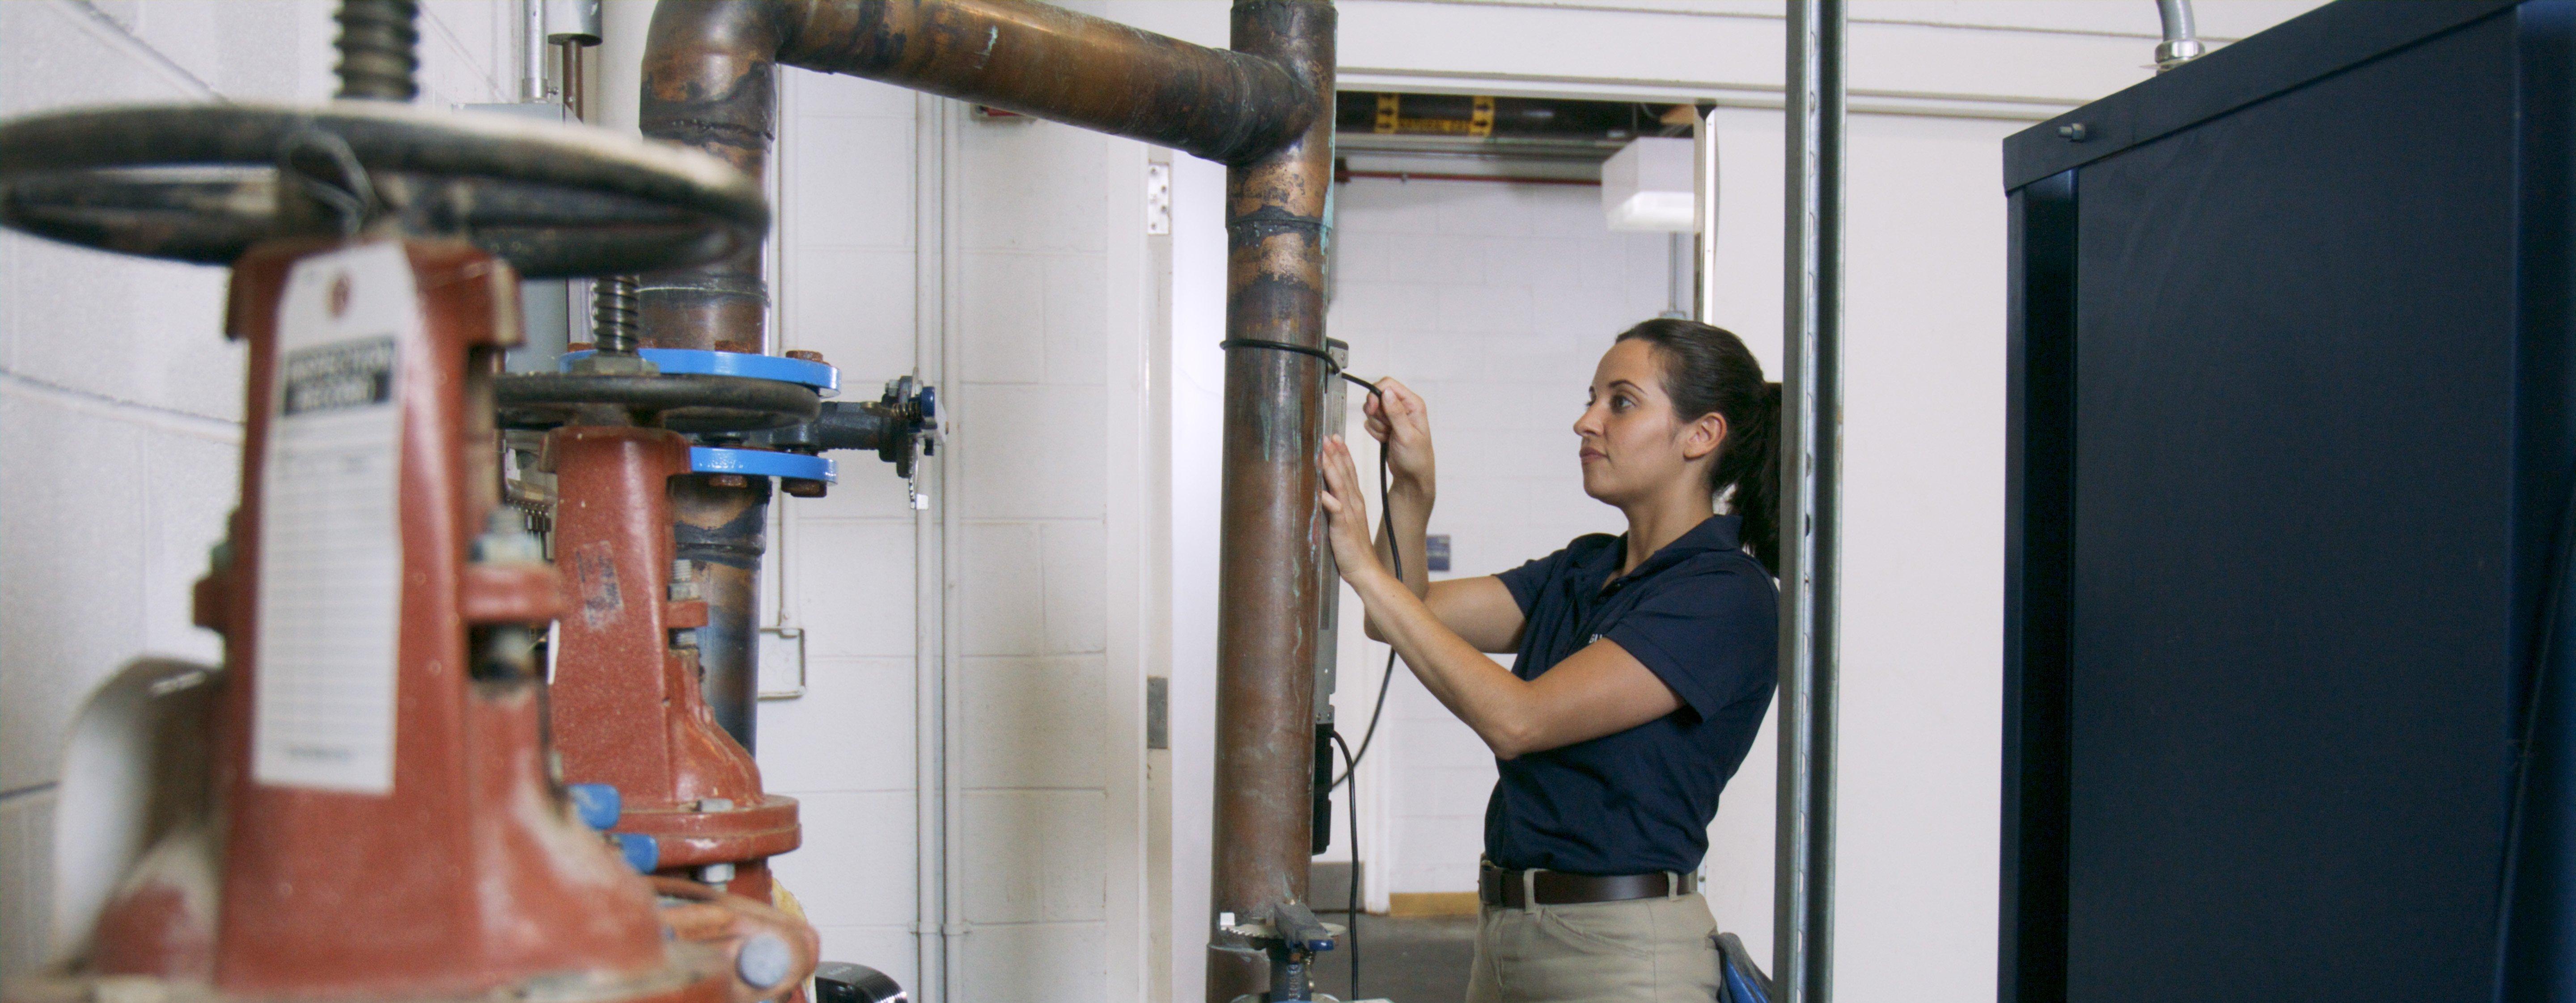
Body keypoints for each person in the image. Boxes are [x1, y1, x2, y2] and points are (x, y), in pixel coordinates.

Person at [1317, 318, 1781, 1003]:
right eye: (1591, 397)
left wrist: (1362, 566)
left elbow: (1518, 719)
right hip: (1508, 934)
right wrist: (1413, 489)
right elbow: (1404, 613)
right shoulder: (1585, 567)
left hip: (1622, 956)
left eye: (1620, 402)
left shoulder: (1724, 596)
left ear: (1701, 435)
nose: (1585, 421)